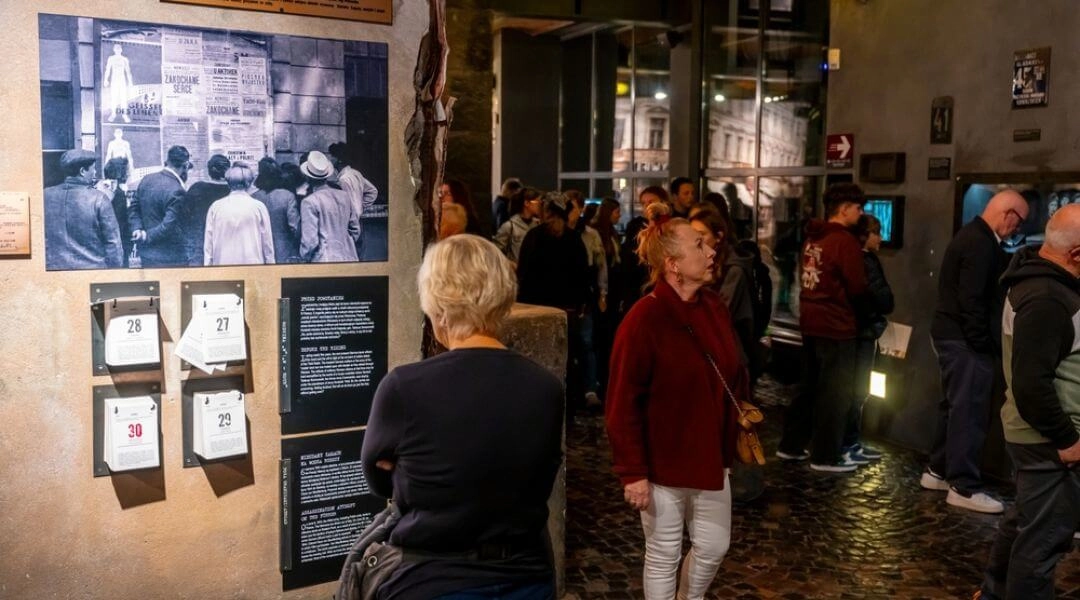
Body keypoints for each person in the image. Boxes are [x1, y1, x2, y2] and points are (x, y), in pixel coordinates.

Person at [361, 234, 563, 600]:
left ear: (437, 306)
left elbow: (378, 480)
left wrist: (418, 474)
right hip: (526, 576)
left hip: (432, 578)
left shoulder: (405, 388)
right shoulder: (545, 387)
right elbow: (536, 478)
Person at [606, 201, 742, 600]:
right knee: (663, 552)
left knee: (714, 545)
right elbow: (622, 402)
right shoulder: (643, 319)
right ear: (673, 264)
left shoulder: (714, 306)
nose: (712, 250)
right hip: (660, 462)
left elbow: (733, 368)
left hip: (710, 455)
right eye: (699, 245)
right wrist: (632, 472)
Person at [976, 204, 1080, 600]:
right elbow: (1031, 384)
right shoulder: (1049, 299)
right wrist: (1068, 441)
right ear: (1075, 255)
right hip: (1049, 442)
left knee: (1025, 524)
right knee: (1043, 543)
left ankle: (992, 594)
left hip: (1036, 437)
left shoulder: (1038, 277)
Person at [923, 189, 1030, 513]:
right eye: (1019, 222)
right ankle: (963, 487)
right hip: (965, 342)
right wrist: (984, 344)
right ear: (1008, 213)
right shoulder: (980, 243)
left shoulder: (970, 236)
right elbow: (973, 302)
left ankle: (938, 471)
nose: (1016, 230)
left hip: (950, 335)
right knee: (969, 412)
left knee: (954, 407)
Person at [776, 182, 868, 472]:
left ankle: (791, 444)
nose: (861, 213)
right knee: (835, 392)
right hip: (837, 324)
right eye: (857, 207)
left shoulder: (813, 237)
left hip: (811, 321)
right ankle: (826, 455)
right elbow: (857, 286)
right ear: (844, 209)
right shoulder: (844, 241)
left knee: (809, 386)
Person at [841, 214, 894, 464]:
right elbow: (881, 298)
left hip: (862, 331)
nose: (880, 238)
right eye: (877, 232)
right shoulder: (864, 262)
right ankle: (847, 443)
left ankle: (850, 442)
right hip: (862, 332)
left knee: (857, 389)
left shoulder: (861, 260)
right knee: (857, 389)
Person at [43, 149, 123, 270]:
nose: (95, 172)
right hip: (92, 271)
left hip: (55, 269)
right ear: (82, 171)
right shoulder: (99, 198)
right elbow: (114, 244)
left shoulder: (45, 195)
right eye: (93, 169)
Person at [566, 190, 607, 408]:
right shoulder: (559, 233)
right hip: (564, 297)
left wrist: (602, 293)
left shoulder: (589, 235)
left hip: (584, 297)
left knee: (586, 342)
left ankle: (590, 389)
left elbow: (600, 266)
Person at [129, 145, 190, 267]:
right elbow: (170, 225)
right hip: (171, 258)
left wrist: (137, 229)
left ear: (167, 161)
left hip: (146, 255)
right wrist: (146, 235)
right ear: (186, 165)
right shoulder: (178, 190)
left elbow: (134, 208)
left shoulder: (146, 180)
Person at [203, 164, 274, 265]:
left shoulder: (216, 207)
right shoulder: (259, 207)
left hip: (222, 266)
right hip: (252, 266)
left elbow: (208, 246)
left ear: (228, 183)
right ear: (249, 183)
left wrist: (208, 268)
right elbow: (267, 244)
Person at [298, 151, 360, 262]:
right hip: (349, 257)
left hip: (324, 260)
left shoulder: (309, 202)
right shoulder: (344, 196)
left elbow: (310, 242)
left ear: (307, 177)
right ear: (326, 175)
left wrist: (304, 258)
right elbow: (355, 230)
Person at [327, 142, 377, 258]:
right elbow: (373, 191)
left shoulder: (343, 180)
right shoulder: (355, 173)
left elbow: (347, 204)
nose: (330, 159)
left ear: (339, 159)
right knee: (359, 253)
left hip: (350, 224)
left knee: (351, 255)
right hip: (359, 221)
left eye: (332, 155)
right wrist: (361, 206)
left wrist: (358, 208)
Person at [180, 154, 231, 266]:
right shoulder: (232, 191)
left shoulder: (197, 188)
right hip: (226, 244)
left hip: (199, 244)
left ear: (209, 170)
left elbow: (184, 214)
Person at [251, 157, 302, 264]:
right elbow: (294, 227)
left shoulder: (253, 197)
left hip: (259, 250)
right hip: (284, 251)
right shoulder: (287, 196)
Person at [97, 157, 133, 267]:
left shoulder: (101, 190)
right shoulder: (119, 194)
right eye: (127, 171)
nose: (128, 174)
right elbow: (120, 225)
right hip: (118, 248)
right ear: (120, 173)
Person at [492, 187, 540, 265]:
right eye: (537, 202)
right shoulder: (510, 226)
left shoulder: (537, 225)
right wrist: (510, 264)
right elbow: (495, 251)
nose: (539, 205)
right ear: (526, 203)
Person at [103, 44, 133, 123]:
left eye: (119, 48)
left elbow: (128, 71)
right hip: (114, 80)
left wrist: (130, 82)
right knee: (114, 98)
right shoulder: (111, 58)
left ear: (121, 50)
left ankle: (125, 115)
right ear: (114, 50)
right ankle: (113, 114)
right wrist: (105, 79)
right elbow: (108, 69)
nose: (118, 50)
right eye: (116, 48)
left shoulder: (124, 59)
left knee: (123, 98)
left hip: (122, 81)